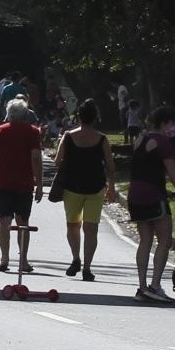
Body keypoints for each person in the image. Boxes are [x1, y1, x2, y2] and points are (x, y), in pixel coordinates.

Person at [127, 106, 175, 303]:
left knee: (145, 241)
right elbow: (174, 175)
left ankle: (142, 286)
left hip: (135, 192)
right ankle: (155, 285)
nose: (174, 128)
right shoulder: (164, 144)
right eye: (172, 123)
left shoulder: (140, 139)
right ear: (164, 123)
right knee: (164, 240)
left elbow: (142, 165)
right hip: (153, 193)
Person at [51, 100, 117, 279]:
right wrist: (111, 187)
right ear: (95, 118)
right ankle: (87, 267)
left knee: (73, 225)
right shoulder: (102, 139)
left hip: (72, 186)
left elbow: (57, 161)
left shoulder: (68, 136)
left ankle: (75, 258)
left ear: (78, 117)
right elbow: (110, 167)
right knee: (91, 228)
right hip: (95, 188)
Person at [0, 99, 45, 274]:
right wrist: (39, 183)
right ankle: (23, 260)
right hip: (24, 183)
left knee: (4, 221)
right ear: (26, 115)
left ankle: (4, 258)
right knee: (23, 222)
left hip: (2, 182)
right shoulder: (33, 132)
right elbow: (36, 158)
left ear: (9, 113)